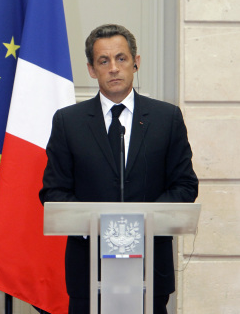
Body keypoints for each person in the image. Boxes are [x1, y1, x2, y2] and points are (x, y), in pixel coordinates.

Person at [39, 24, 198, 314]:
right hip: (89, 271)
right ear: (91, 69)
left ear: (136, 63)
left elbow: (184, 186)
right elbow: (54, 192)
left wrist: (141, 226)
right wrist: (100, 228)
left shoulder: (166, 118)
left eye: (121, 58)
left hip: (150, 270)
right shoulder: (68, 122)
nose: (113, 68)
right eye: (103, 61)